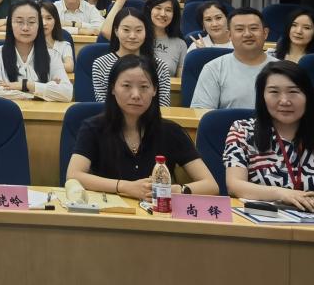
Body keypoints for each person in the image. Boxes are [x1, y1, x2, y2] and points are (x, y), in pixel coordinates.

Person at [225, 60, 314, 211]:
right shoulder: (243, 131)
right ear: (262, 97)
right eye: (274, 92)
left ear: (308, 96)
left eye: (293, 92)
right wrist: (283, 194)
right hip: (261, 219)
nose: (284, 101)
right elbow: (234, 185)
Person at [67, 55, 218, 198]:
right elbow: (73, 175)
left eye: (144, 87)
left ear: (155, 90)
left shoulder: (171, 131)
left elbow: (211, 185)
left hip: (158, 212)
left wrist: (175, 190)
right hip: (110, 211)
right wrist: (125, 187)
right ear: (112, 88)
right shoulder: (93, 128)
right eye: (126, 86)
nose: (136, 95)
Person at [0, 0, 74, 101]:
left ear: (39, 26)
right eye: (19, 22)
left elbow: (67, 93)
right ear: (10, 25)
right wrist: (44, 91)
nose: (25, 28)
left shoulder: (53, 55)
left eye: (31, 22)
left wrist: (25, 85)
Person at [191, 7, 277, 111]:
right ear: (230, 35)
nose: (247, 34)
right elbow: (201, 114)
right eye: (239, 29)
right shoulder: (213, 69)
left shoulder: (282, 69)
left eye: (253, 28)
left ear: (265, 33)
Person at [102, 0, 187, 76]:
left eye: (168, 10)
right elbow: (106, 31)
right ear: (150, 9)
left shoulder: (180, 44)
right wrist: (120, 1)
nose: (163, 14)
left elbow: (180, 80)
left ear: (174, 14)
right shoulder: (137, 35)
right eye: (158, 8)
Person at [92, 6, 172, 107]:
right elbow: (103, 105)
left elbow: (163, 107)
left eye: (138, 30)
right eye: (126, 30)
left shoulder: (160, 66)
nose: (132, 36)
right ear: (116, 31)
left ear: (146, 32)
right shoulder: (101, 64)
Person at [39, 0, 76, 75]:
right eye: (40, 18)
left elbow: (69, 66)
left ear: (55, 20)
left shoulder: (64, 45)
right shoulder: (27, 43)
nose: (44, 23)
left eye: (49, 18)